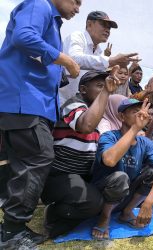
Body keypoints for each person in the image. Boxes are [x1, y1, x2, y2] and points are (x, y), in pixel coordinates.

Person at [0, 0, 81, 248]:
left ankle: (12, 229)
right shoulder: (40, 5)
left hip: (28, 104)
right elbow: (24, 37)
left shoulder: (52, 20)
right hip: (24, 101)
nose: (78, 7)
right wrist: (64, 59)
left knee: (23, 164)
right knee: (39, 157)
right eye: (76, 1)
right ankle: (12, 232)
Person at [41, 68, 121, 239]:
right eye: (99, 86)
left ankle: (77, 208)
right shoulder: (74, 104)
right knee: (93, 204)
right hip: (59, 176)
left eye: (105, 86)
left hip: (83, 176)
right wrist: (106, 91)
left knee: (115, 184)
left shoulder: (98, 113)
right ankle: (54, 214)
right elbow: (85, 126)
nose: (104, 89)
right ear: (83, 89)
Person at [91, 98, 153, 239]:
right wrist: (135, 128)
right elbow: (109, 160)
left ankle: (127, 212)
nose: (141, 115)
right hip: (102, 191)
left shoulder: (145, 142)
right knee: (121, 177)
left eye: (143, 112)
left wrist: (149, 202)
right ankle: (104, 217)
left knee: (152, 172)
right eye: (135, 112)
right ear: (121, 116)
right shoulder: (109, 136)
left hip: (125, 191)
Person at [59, 10, 140, 104]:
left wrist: (109, 77)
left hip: (80, 106)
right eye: (103, 25)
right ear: (89, 24)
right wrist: (111, 60)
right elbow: (74, 59)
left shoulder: (98, 52)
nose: (107, 30)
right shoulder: (77, 36)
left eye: (109, 28)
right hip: (62, 102)